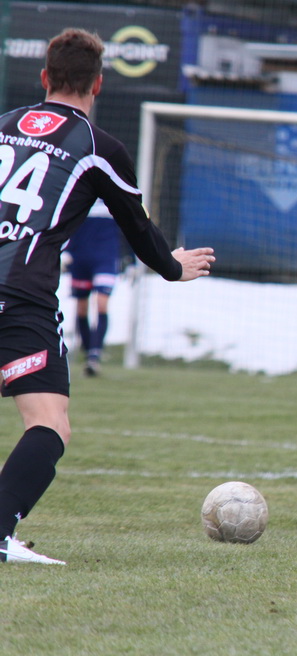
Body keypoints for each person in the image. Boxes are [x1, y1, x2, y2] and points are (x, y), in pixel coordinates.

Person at [0, 28, 215, 565]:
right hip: (21, 295)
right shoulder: (99, 148)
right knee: (49, 422)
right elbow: (137, 227)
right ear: (98, 85)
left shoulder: (3, 126)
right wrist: (173, 268)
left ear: (44, 77)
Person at [65, 200, 122, 376]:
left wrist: (132, 259)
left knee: (101, 304)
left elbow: (131, 228)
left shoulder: (116, 195)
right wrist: (65, 250)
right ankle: (89, 353)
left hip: (106, 258)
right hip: (80, 259)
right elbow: (66, 224)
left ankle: (94, 356)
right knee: (82, 309)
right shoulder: (79, 194)